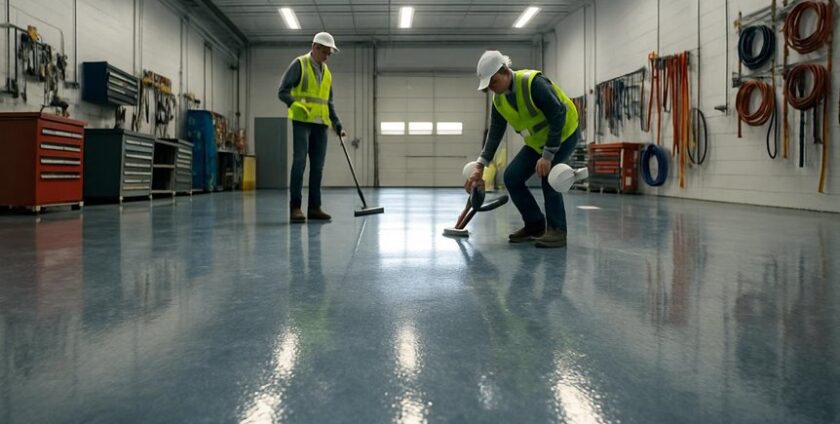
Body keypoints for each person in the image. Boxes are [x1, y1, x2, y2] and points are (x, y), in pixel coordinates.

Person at [466, 50, 580, 248]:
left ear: (504, 71)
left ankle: (558, 230)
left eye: (493, 82)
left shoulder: (533, 83)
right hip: (537, 143)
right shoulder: (499, 100)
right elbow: (494, 134)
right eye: (488, 87)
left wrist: (548, 155)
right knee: (512, 177)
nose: (492, 89)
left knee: (549, 177)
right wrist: (480, 165)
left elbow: (558, 114)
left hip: (563, 135)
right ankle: (535, 224)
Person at [278, 32, 348, 223]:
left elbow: (328, 102)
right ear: (314, 47)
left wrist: (338, 124)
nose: (327, 57)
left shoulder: (327, 73)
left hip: (320, 126)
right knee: (299, 162)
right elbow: (282, 91)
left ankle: (314, 208)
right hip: (302, 122)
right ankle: (295, 208)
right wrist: (293, 103)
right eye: (324, 52)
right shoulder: (299, 64)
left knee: (317, 168)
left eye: (329, 54)